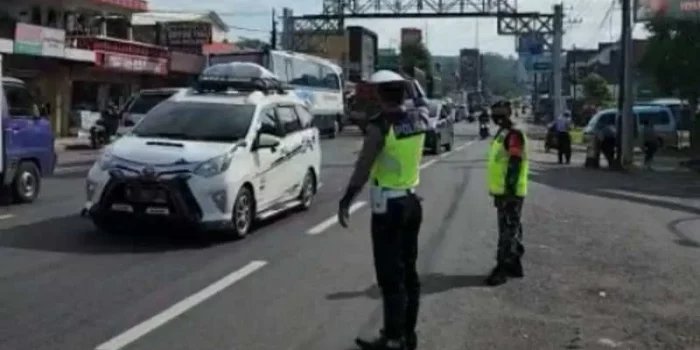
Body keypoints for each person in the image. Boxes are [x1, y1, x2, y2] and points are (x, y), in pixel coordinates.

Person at [337, 70, 428, 350]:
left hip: (388, 207)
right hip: (412, 203)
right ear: (403, 93)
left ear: (378, 95)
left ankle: (392, 339)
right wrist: (413, 84)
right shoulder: (419, 118)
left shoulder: (380, 126)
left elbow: (363, 167)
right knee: (409, 273)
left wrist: (347, 199)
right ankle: (407, 335)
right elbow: (424, 100)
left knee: (390, 276)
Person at [485, 99, 529, 286]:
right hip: (502, 191)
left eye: (500, 114)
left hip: (510, 192)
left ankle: (502, 269)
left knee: (507, 231)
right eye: (495, 113)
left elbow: (515, 162)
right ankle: (515, 264)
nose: (496, 117)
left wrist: (509, 191)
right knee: (512, 227)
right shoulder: (502, 133)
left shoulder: (513, 134)